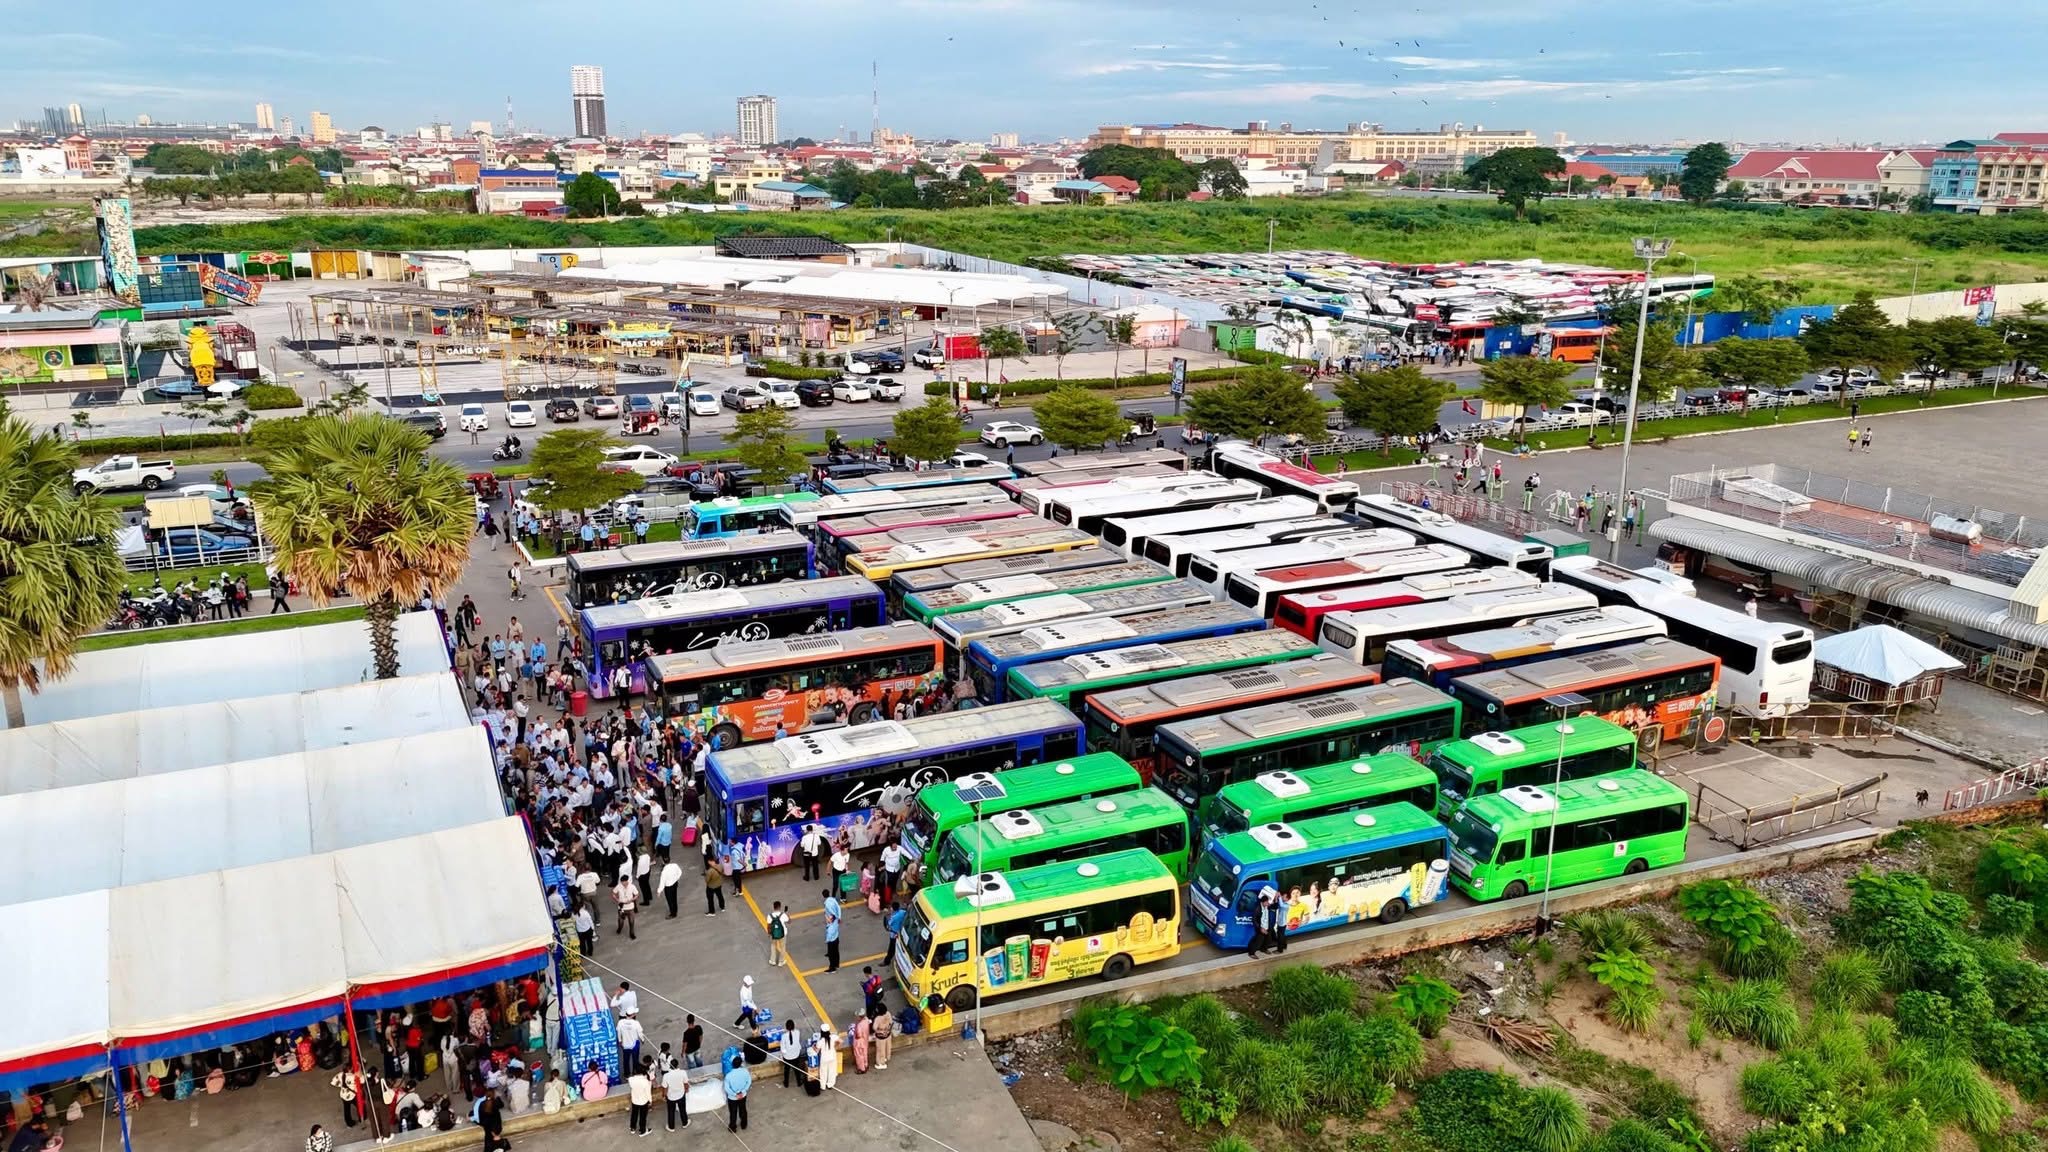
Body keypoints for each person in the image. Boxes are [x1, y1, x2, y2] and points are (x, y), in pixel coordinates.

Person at [723, 1059, 751, 1133]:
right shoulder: (745, 1071)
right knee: (743, 1110)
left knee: (733, 1112)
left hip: (732, 1098)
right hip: (743, 1095)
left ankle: (733, 1127)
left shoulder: (728, 1075)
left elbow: (727, 1088)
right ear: (740, 1064)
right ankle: (744, 1124)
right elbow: (748, 1082)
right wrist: (743, 1091)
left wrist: (735, 1094)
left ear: (732, 1064)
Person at [627, 1057, 653, 1135]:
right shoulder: (646, 1082)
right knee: (643, 1116)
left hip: (634, 1100)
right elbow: (648, 1093)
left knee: (634, 1114)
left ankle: (632, 1127)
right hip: (643, 1101)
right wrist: (650, 1101)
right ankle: (642, 1131)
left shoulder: (630, 1079)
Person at [661, 1059, 690, 1131]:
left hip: (671, 1097)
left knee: (671, 1111)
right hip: (681, 1094)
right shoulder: (683, 1072)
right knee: (682, 1109)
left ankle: (671, 1127)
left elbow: (664, 1087)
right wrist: (686, 1089)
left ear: (670, 1066)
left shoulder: (666, 1075)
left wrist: (664, 1095)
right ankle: (685, 1123)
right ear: (677, 1065)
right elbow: (686, 1083)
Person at [821, 888, 843, 972]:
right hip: (835, 934)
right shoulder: (833, 900)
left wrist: (827, 940)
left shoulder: (827, 905)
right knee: (836, 951)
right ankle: (837, 964)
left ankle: (832, 967)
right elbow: (838, 908)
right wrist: (839, 917)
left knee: (832, 952)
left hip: (832, 938)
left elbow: (829, 935)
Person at [779, 1019, 806, 1088]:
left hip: (787, 1057)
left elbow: (783, 1049)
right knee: (797, 1069)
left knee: (786, 1070)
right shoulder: (797, 1032)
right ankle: (799, 1082)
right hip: (796, 1055)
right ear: (794, 1026)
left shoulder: (784, 1036)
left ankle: (786, 1083)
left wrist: (783, 1055)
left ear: (786, 1027)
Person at [767, 900, 791, 968]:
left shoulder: (770, 915)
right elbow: (789, 921)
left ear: (773, 907)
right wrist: (787, 914)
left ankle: (772, 960)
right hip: (782, 934)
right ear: (779, 907)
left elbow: (768, 925)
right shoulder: (783, 915)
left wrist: (769, 933)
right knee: (782, 947)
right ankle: (781, 961)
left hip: (773, 934)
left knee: (773, 946)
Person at [871, 1005, 893, 1071]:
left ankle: (881, 1063)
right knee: (887, 1046)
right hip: (888, 1033)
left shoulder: (878, 1018)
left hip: (881, 1036)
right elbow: (891, 1023)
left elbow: (874, 1028)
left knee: (880, 1050)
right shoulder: (888, 1013)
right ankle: (887, 1057)